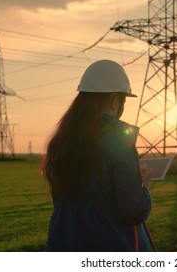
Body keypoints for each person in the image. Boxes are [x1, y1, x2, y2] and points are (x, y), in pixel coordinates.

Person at [42, 60, 156, 251]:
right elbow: (133, 211)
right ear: (115, 101)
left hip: (63, 241)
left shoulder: (61, 141)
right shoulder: (119, 143)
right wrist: (143, 187)